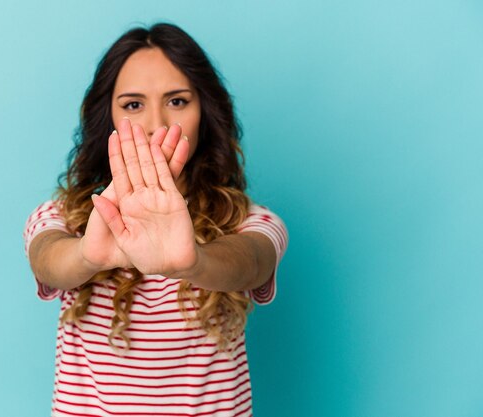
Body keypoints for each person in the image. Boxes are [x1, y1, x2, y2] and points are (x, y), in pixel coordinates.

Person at [23, 22, 288, 417]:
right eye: (133, 104)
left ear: (206, 111)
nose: (156, 124)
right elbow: (47, 259)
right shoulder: (64, 216)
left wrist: (195, 262)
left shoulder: (251, 221)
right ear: (107, 117)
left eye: (178, 101)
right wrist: (86, 256)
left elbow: (251, 261)